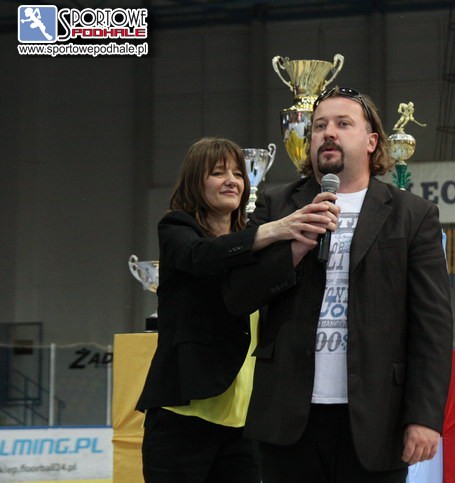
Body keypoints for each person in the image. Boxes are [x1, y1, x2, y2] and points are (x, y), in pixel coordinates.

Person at [224, 86, 454, 482]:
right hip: (286, 418)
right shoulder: (277, 206)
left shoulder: (412, 215)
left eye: (343, 124)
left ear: (371, 141)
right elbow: (238, 295)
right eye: (319, 126)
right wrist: (293, 248)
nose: (328, 133)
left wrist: (424, 417)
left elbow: (432, 325)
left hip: (376, 420)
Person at [136, 137, 338, 483]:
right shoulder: (177, 227)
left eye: (238, 174)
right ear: (195, 181)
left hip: (245, 421)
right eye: (218, 173)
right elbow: (203, 256)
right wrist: (275, 228)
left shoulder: (251, 237)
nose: (232, 181)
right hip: (183, 414)